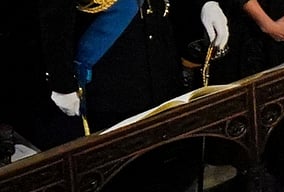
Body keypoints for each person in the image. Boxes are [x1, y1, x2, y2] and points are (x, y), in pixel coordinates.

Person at [37, 0, 230, 139]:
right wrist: (62, 83)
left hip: (163, 69)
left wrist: (205, 4)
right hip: (112, 81)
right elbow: (55, 16)